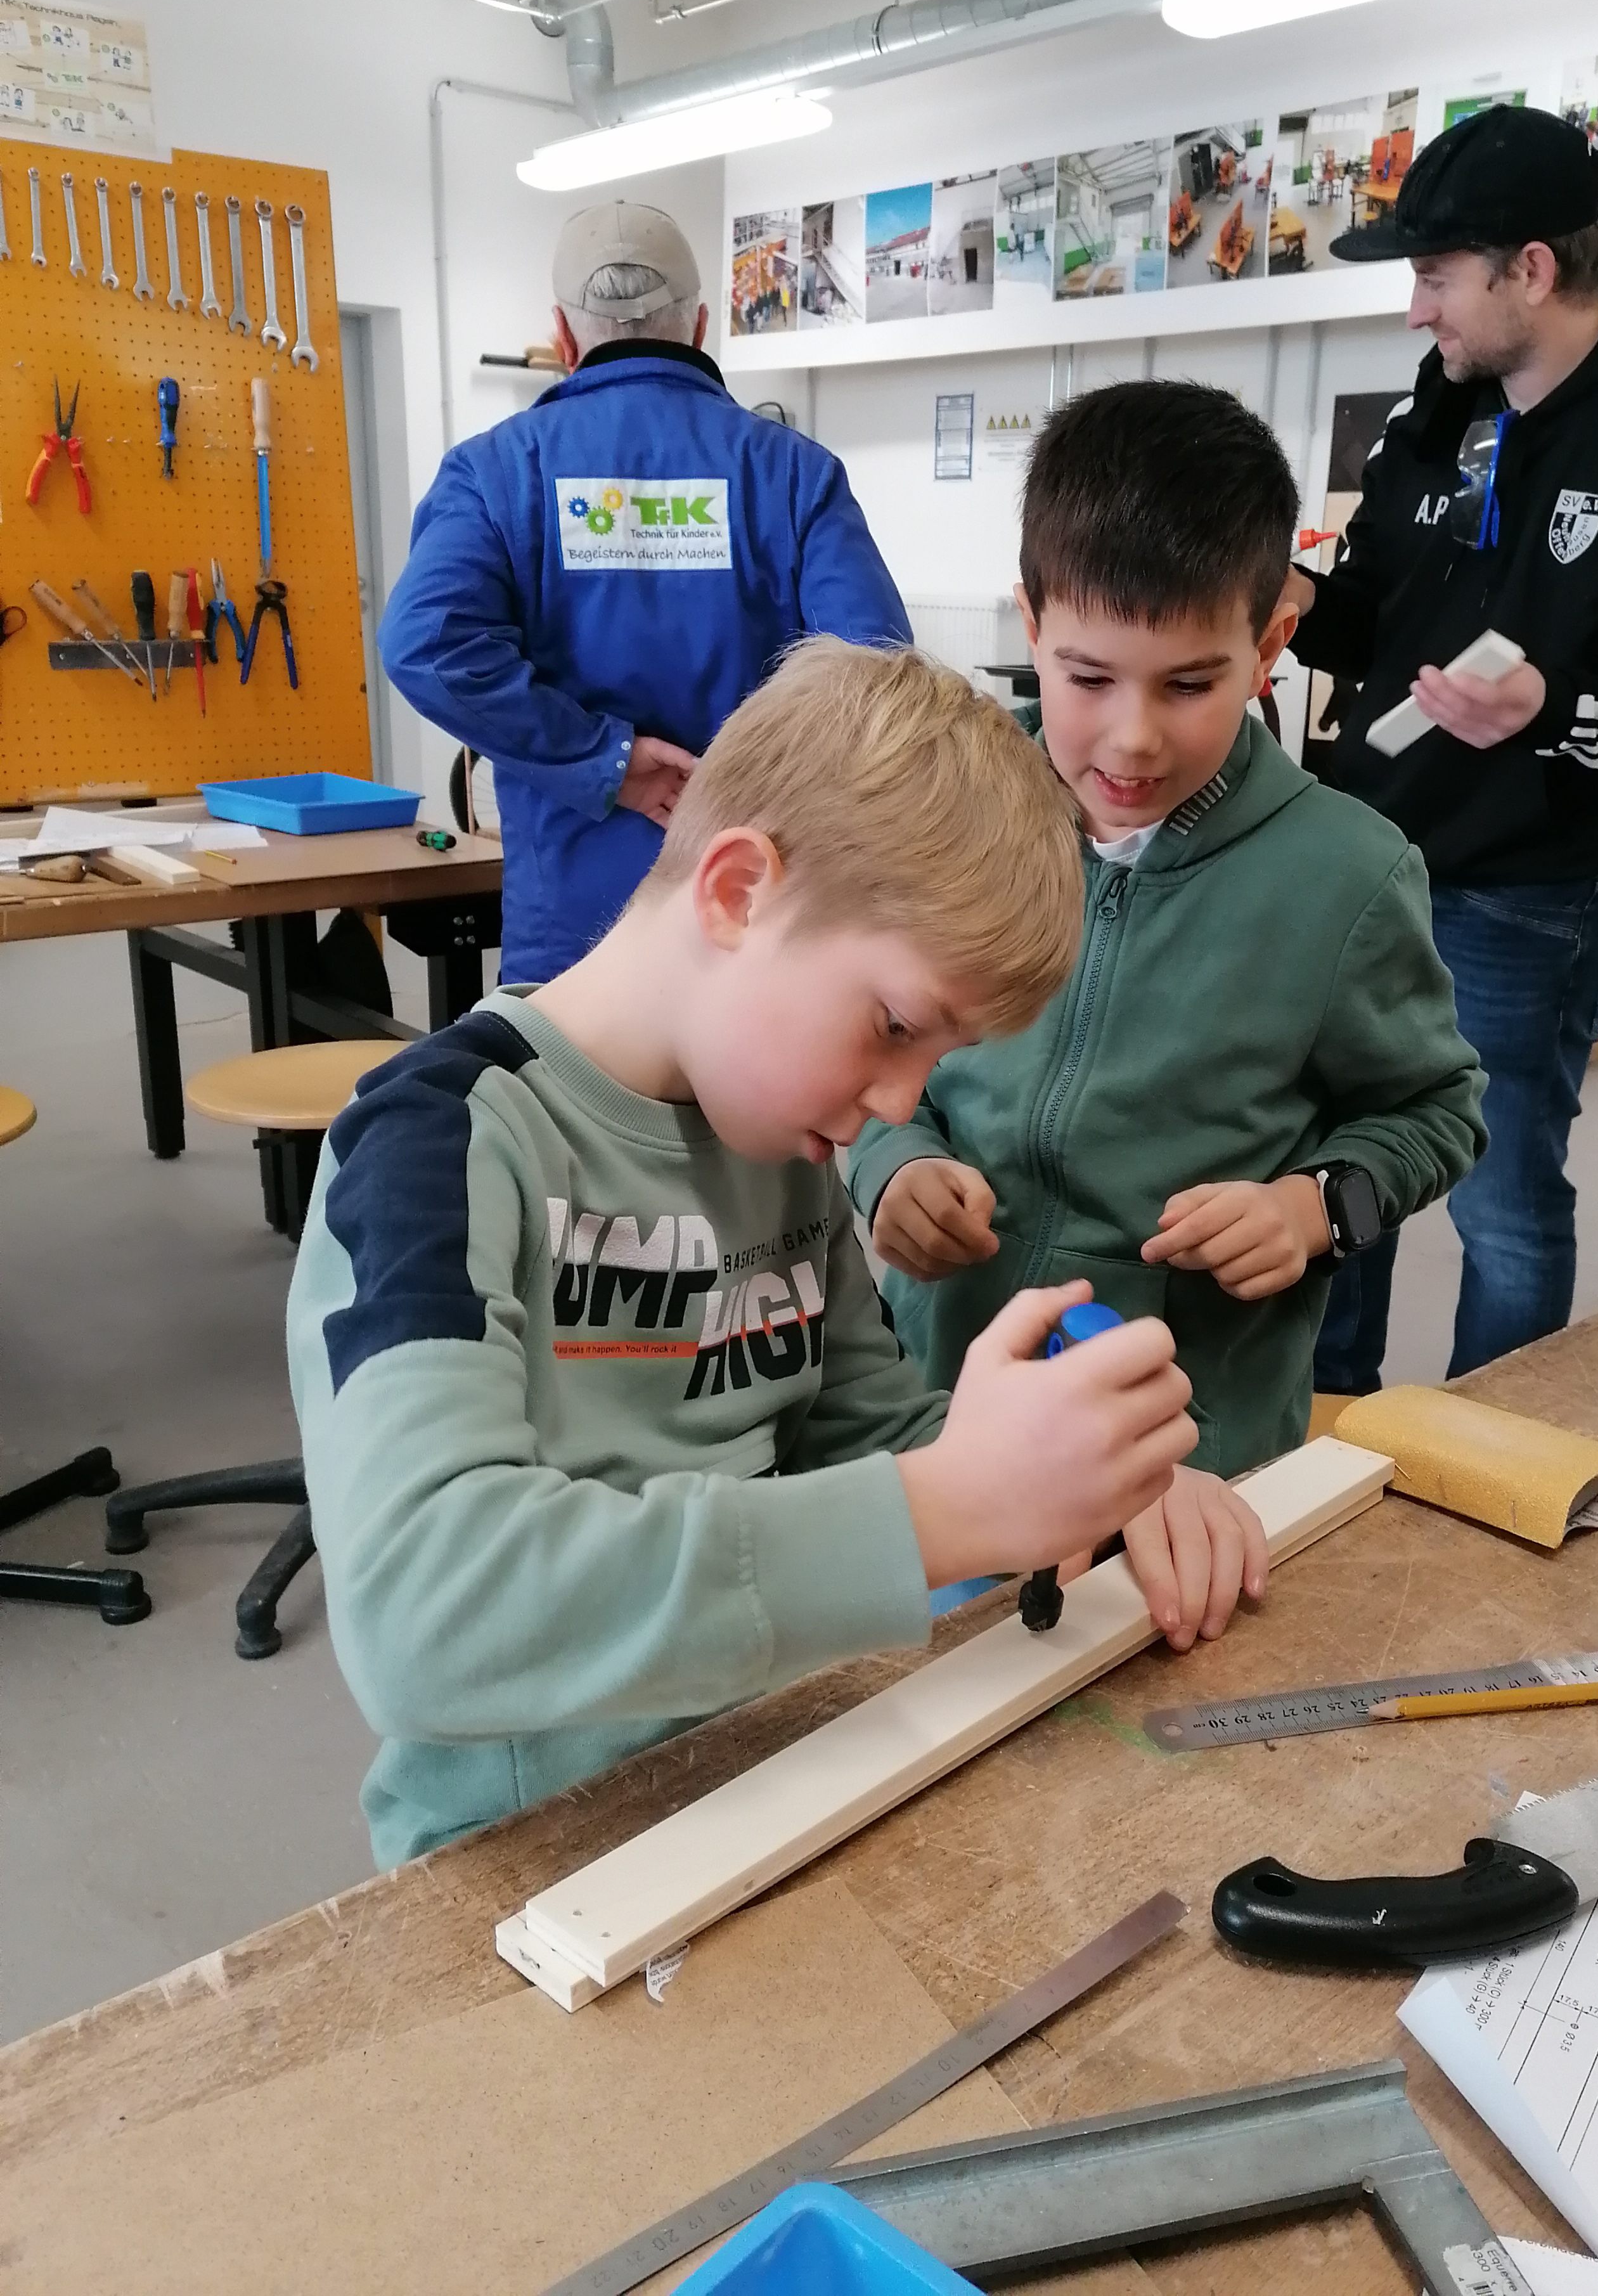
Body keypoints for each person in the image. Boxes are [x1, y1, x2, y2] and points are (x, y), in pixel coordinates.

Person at [288, 641, 1271, 1866]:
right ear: (740, 892)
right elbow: (424, 1616)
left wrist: (1093, 1480)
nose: (897, 1100)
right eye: (896, 1026)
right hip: (539, 1854)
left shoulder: (776, 1132)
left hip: (787, 1763)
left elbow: (851, 1432)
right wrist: (942, 1511)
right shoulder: (437, 1145)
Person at [846, 382, 1486, 1472]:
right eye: (1088, 677)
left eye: (1192, 684)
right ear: (1032, 625)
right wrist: (890, 1164)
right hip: (942, 1411)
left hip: (1186, 1452)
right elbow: (857, 1050)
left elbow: (1437, 1117)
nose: (1133, 739)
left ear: (1272, 642)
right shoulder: (947, 809)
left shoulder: (1347, 877)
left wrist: (1313, 1210)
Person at [1291, 103, 1598, 1389]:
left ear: (1534, 270)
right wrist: (1291, 606)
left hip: (1531, 898)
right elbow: (1374, 616)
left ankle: (1488, 1445)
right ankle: (1323, 1434)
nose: (1415, 311)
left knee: (1500, 1202)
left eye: (1436, 277)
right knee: (1347, 1176)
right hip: (1366, 867)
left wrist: (1554, 713)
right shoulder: (1434, 411)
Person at [377, 202, 912, 986]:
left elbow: (425, 643)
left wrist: (604, 758)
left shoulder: (496, 473)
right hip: (756, 925)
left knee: (564, 1108)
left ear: (562, 338)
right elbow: (876, 676)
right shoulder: (794, 475)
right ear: (699, 328)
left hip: (573, 945)